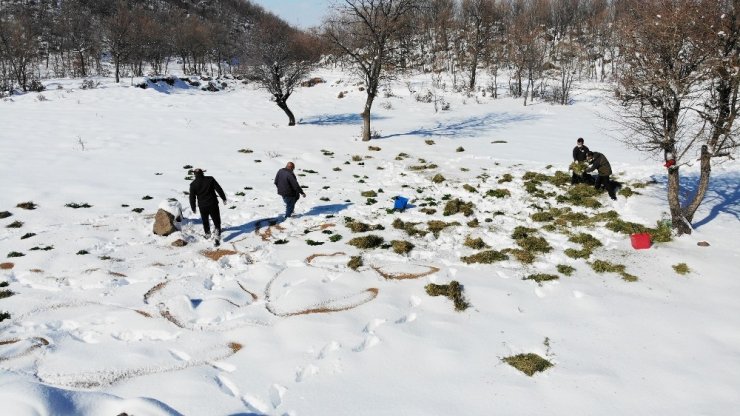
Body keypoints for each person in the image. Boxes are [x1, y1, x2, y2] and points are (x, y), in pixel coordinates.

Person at [189, 168, 227, 240]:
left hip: (202, 205)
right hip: (213, 203)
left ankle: (207, 233)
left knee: (205, 220)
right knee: (216, 218)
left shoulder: (193, 184)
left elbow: (192, 197)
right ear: (202, 173)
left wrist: (193, 207)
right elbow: (218, 189)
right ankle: (217, 229)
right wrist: (223, 198)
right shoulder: (210, 179)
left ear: (195, 174)